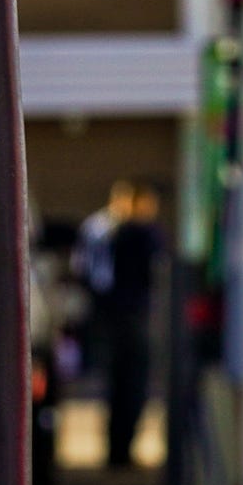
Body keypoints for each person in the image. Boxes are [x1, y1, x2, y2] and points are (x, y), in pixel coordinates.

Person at [85, 180, 163, 469]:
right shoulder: (131, 233)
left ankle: (118, 449)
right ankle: (120, 450)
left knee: (120, 386)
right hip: (128, 318)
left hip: (114, 317)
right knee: (130, 386)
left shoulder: (105, 230)